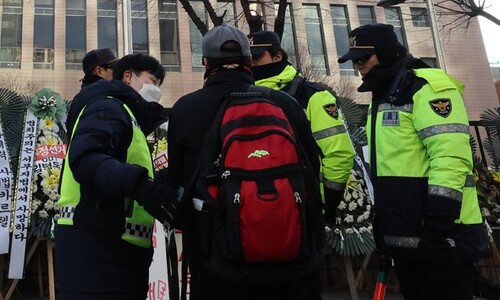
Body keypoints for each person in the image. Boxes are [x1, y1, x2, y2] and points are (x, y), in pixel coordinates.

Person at [168, 24, 321, 300]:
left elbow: (178, 178)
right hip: (288, 255)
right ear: (249, 61)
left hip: (215, 259)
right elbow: (312, 169)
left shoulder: (186, 108)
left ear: (205, 62)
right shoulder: (285, 105)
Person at [338, 23, 488, 300]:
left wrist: (438, 229)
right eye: (354, 60)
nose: (358, 65)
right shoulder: (384, 95)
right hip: (407, 238)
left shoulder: (428, 87)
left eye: (363, 58)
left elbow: (451, 159)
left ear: (385, 53)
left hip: (443, 237)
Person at [55, 53, 178, 300]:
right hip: (95, 248)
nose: (155, 90)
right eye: (151, 80)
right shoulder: (107, 106)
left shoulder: (128, 118)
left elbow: (124, 170)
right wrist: (141, 184)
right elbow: (88, 159)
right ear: (128, 76)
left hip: (116, 251)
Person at [248, 30, 355, 222]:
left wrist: (323, 202)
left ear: (277, 56)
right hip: (253, 204)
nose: (252, 63)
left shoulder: (314, 96)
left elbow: (339, 154)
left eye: (257, 57)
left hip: (302, 206)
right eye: (249, 58)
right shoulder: (243, 97)